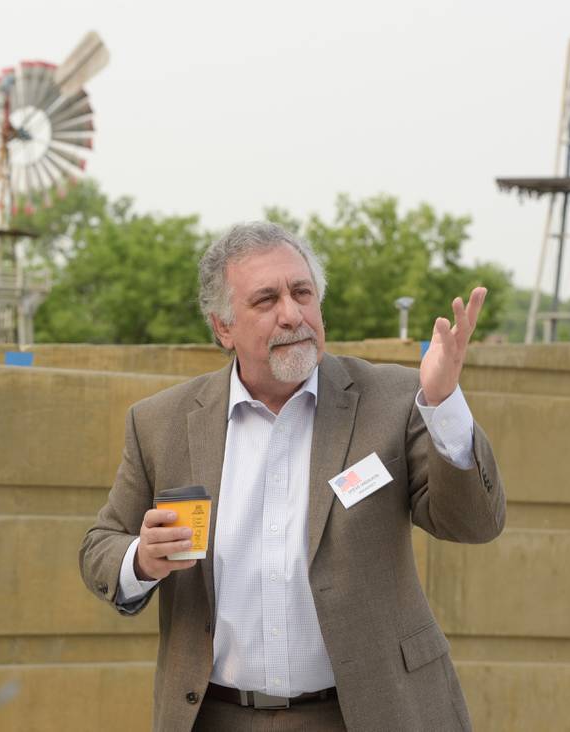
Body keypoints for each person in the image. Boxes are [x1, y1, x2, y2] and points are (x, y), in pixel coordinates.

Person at [79, 221, 506, 731]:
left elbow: (474, 523)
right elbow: (100, 545)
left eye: (302, 293)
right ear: (223, 327)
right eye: (265, 300)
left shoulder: (393, 400)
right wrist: (141, 560)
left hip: (368, 713)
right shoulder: (160, 423)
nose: (292, 315)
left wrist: (443, 405)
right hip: (216, 715)